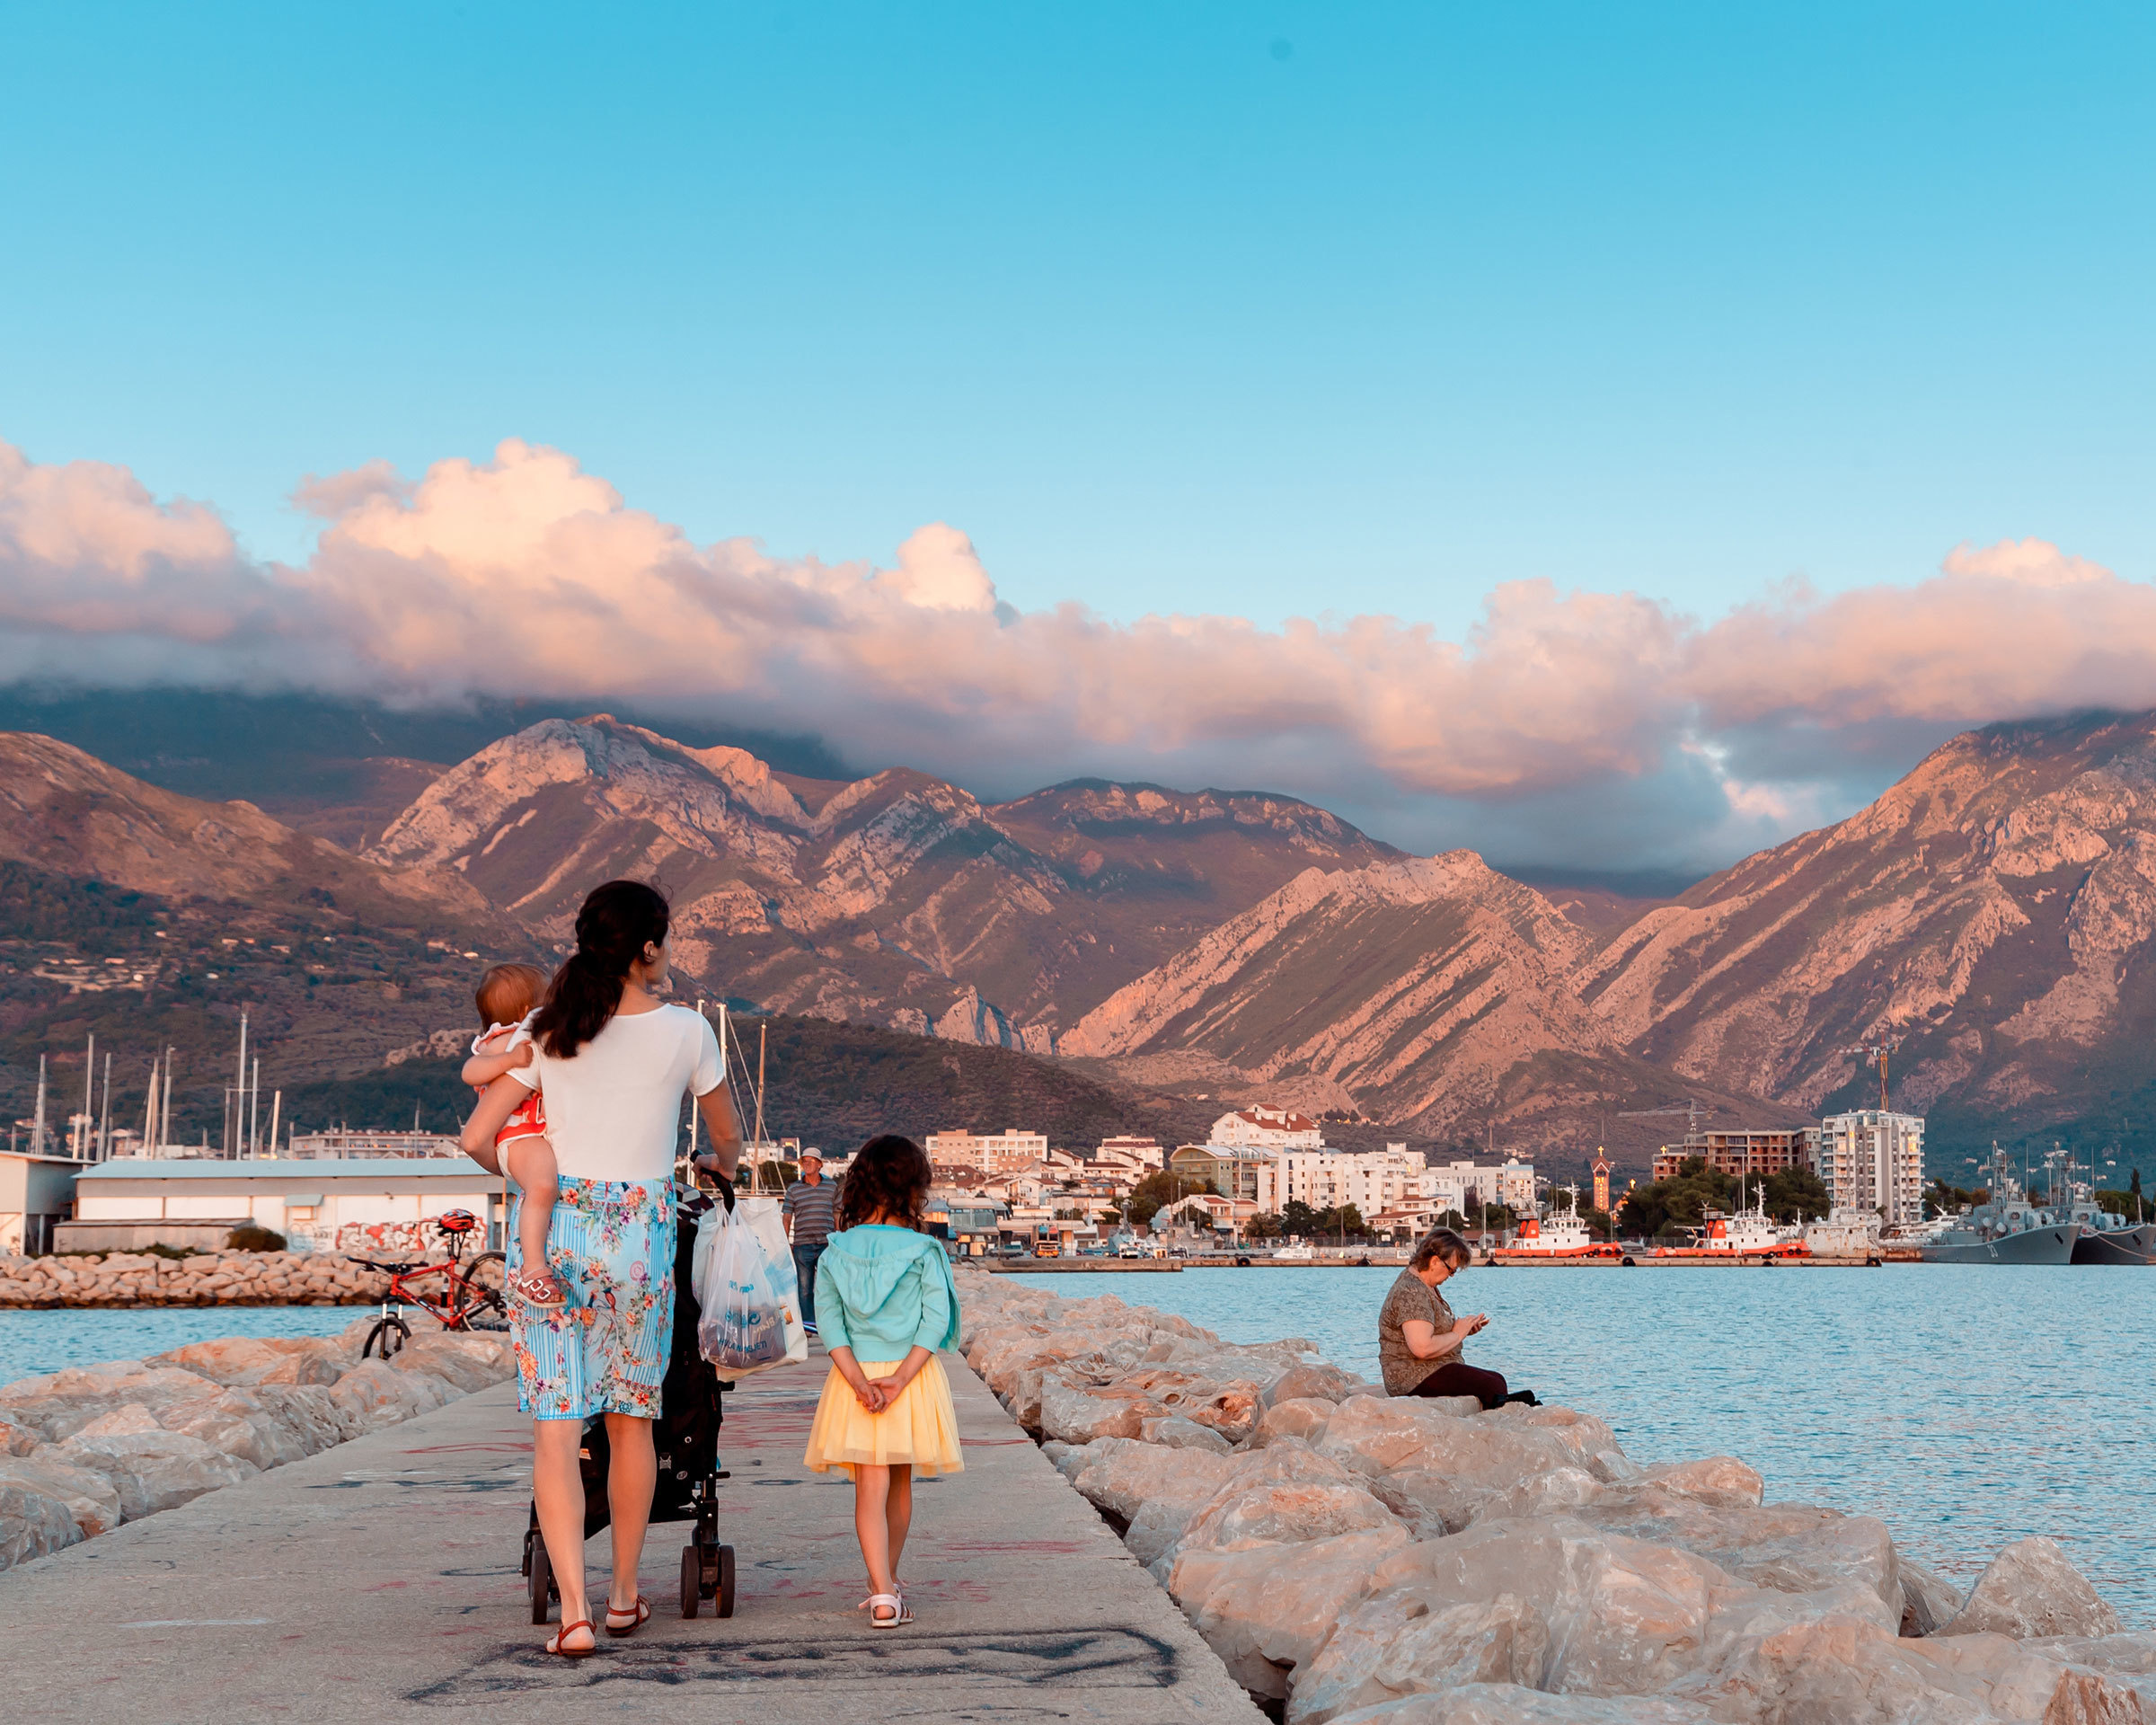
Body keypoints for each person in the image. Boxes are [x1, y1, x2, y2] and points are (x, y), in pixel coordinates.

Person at [461, 880, 743, 1659]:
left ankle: (575, 1617)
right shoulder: (687, 1031)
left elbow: (478, 1136)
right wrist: (714, 1165)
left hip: (555, 1236)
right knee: (631, 1422)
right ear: (648, 948)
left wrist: (529, 1172)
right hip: (640, 1240)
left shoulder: (551, 1026)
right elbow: (727, 1140)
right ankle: (623, 1598)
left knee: (557, 1430)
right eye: (668, 940)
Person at [801, 1134, 963, 1629]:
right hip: (908, 1379)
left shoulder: (834, 1251)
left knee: (868, 1488)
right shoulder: (924, 1250)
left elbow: (829, 1325)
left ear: (860, 1185)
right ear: (913, 1189)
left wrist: (857, 1380)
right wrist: (900, 1377)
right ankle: (887, 1586)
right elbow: (935, 1321)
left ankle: (881, 1592)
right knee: (899, 1483)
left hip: (855, 1379)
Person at [460, 961, 563, 1307]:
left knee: (543, 1188)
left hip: (532, 1134)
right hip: (516, 1137)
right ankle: (533, 1270)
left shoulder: (532, 1037)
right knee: (543, 1186)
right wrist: (510, 1059)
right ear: (527, 1011)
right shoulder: (503, 1041)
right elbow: (470, 1072)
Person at [1377, 1226, 1538, 1410]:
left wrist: (1464, 1329)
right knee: (1492, 1385)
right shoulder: (1411, 1292)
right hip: (1411, 1377)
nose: (1451, 1276)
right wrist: (1457, 1334)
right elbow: (1422, 1347)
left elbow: (1430, 1328)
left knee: (1497, 1379)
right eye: (1451, 1270)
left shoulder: (1425, 1286)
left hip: (1431, 1369)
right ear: (1434, 1261)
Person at [782, 1148, 837, 1335]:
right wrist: (784, 1242)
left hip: (826, 1244)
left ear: (820, 1164)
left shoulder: (832, 1187)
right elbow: (787, 1218)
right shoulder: (794, 1189)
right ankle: (808, 1326)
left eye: (811, 1161)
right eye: (804, 1161)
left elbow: (837, 1213)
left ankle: (828, 1323)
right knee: (805, 1289)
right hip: (802, 1244)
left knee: (827, 1287)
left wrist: (839, 1238)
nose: (806, 1164)